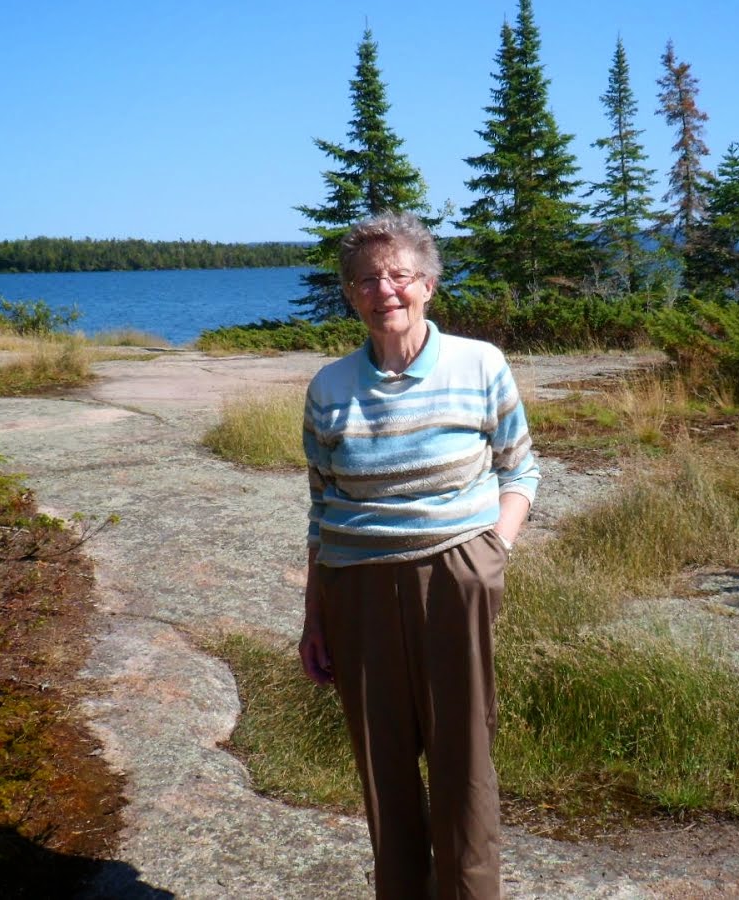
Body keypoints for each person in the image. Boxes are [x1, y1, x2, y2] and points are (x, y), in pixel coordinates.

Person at [299, 210, 538, 899]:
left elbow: (519, 469)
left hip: (455, 575)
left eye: (399, 274)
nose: (385, 290)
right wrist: (314, 618)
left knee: (465, 766)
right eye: (367, 279)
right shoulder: (328, 388)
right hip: (357, 590)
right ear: (351, 295)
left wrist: (494, 546)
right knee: (385, 772)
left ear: (428, 284)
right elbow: (322, 510)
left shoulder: (480, 363)